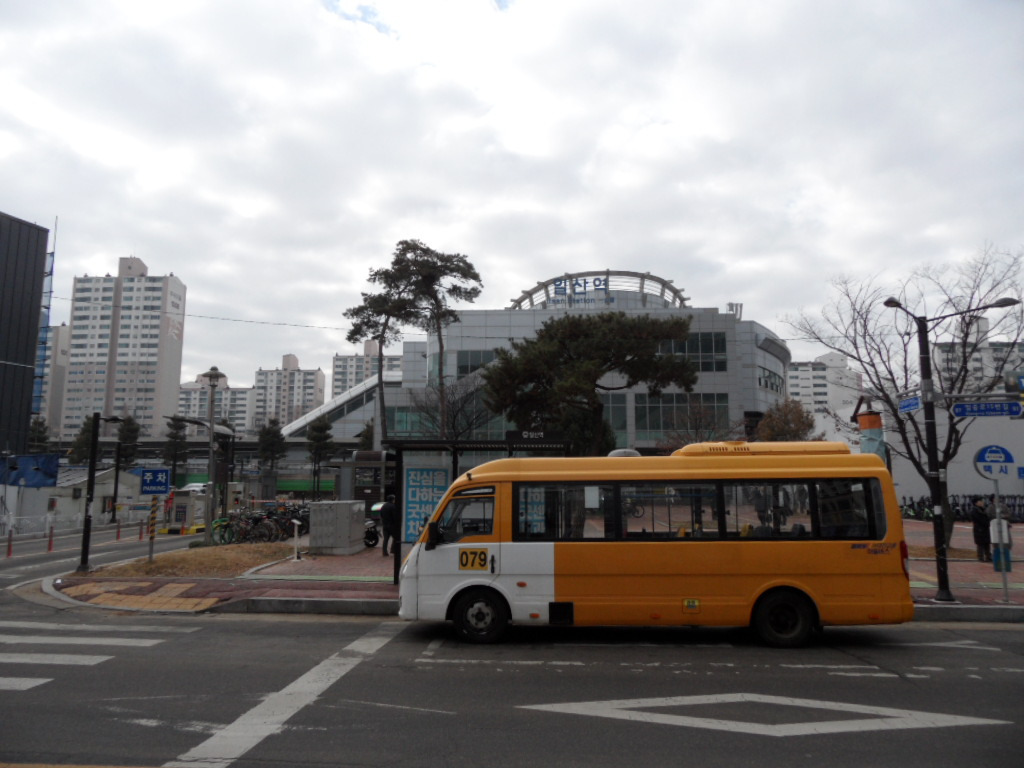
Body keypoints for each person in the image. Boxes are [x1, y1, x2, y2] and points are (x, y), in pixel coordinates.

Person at [970, 496, 992, 562]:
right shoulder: (975, 510)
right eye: (980, 501)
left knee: (987, 543)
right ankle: (981, 557)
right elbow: (980, 519)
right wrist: (987, 522)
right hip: (979, 529)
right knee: (980, 544)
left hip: (985, 529)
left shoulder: (983, 509)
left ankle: (988, 557)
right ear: (976, 503)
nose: (982, 502)